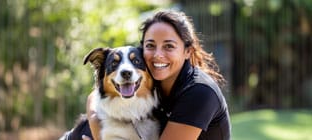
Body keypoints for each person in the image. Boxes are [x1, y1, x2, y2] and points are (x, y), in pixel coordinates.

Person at [62, 10, 231, 140]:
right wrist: (94, 118)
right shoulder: (154, 80)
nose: (158, 54)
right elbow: (97, 93)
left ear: (187, 51)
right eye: (151, 45)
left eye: (169, 46)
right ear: (144, 49)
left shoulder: (199, 92)